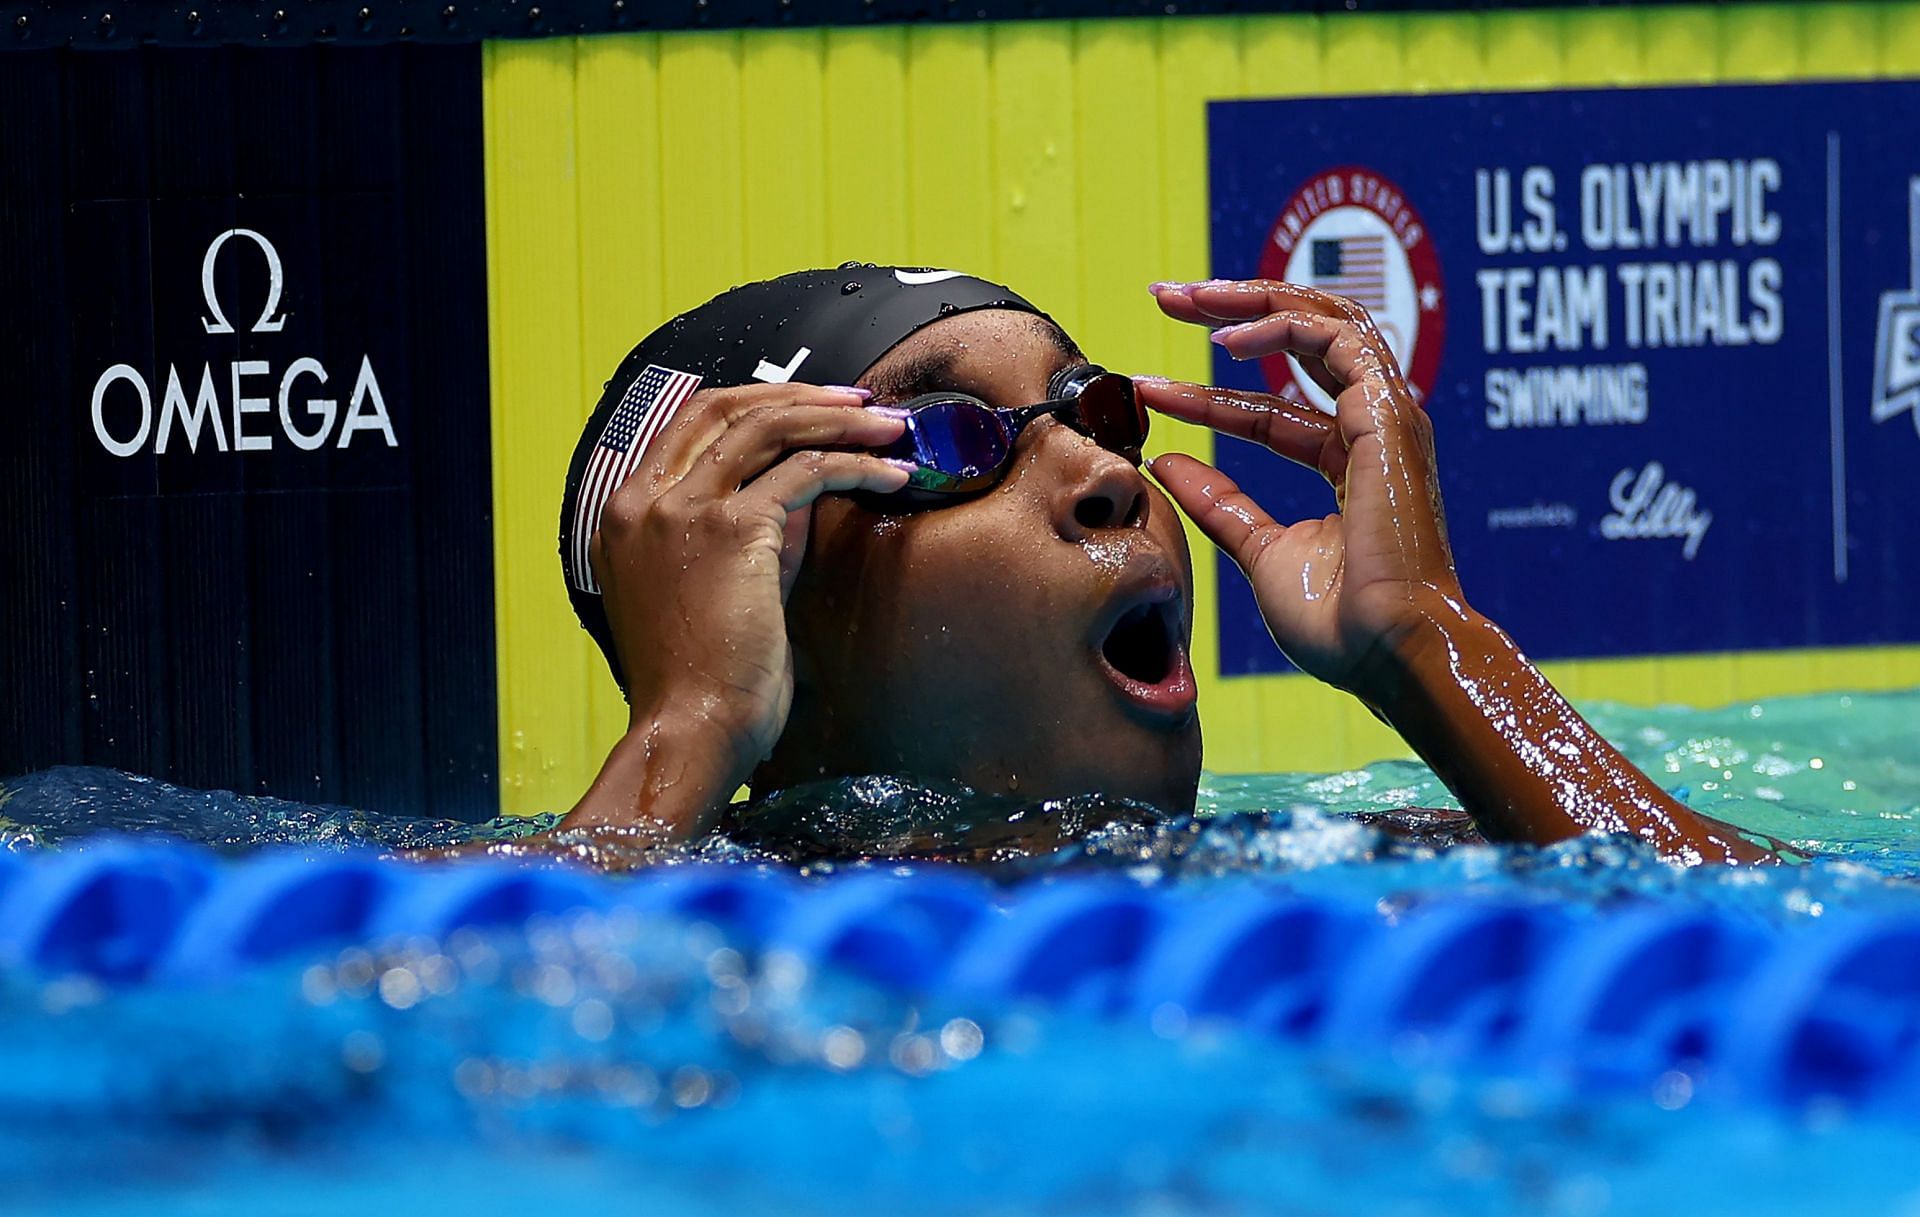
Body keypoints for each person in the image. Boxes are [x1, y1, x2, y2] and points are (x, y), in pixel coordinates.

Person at [551, 265, 1789, 867]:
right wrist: (696, 720)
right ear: (765, 612)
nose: (1109, 477)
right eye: (948, 442)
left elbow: (1790, 959)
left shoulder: (1310, 872)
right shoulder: (527, 902)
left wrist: (1428, 641)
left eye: (1093, 412)